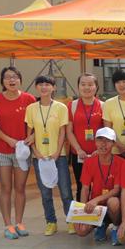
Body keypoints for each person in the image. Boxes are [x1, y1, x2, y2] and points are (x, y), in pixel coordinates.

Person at [0, 67, 36, 240]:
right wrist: (8, 139)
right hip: (2, 150)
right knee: (6, 187)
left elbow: (36, 123)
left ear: (20, 80)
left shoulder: (29, 99)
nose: (11, 80)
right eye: (7, 77)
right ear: (2, 81)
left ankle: (19, 222)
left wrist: (32, 137)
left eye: (15, 77)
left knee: (20, 187)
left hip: (22, 151)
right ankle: (8, 224)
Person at [26, 75, 73, 236]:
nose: (44, 87)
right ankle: (51, 222)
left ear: (54, 88)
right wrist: (36, 152)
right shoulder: (31, 108)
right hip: (40, 157)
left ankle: (71, 221)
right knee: (45, 192)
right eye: (40, 84)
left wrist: (58, 151)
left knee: (65, 191)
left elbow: (62, 132)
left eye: (47, 84)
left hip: (59, 156)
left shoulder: (61, 107)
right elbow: (29, 133)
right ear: (36, 87)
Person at [74, 127, 123, 245]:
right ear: (95, 142)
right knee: (81, 230)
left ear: (113, 143)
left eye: (107, 140)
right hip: (97, 207)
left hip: (114, 207)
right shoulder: (89, 162)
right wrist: (83, 210)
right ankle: (101, 224)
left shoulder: (121, 163)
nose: (103, 144)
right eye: (100, 140)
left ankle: (116, 226)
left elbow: (116, 190)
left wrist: (96, 200)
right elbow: (85, 189)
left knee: (113, 202)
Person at [66, 73, 105, 201]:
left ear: (96, 87)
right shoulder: (72, 106)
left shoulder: (103, 106)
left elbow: (106, 131)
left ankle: (100, 213)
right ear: (78, 86)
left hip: (99, 154)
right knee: (81, 186)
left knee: (100, 187)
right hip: (79, 155)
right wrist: (78, 150)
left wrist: (99, 150)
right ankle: (82, 213)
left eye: (90, 84)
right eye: (83, 84)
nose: (86, 87)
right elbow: (69, 131)